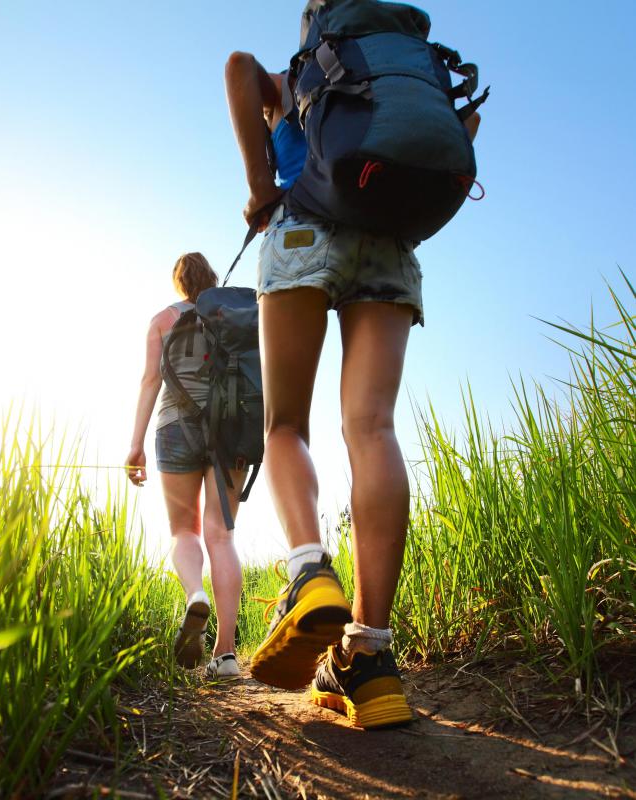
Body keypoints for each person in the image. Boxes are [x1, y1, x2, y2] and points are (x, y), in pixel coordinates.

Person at [225, 51, 480, 726]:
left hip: (304, 229)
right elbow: (463, 139)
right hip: (392, 246)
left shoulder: (308, 75)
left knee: (284, 425)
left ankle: (309, 573)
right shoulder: (414, 78)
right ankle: (368, 658)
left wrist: (258, 185)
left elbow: (237, 66)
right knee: (372, 428)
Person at [125, 253, 247, 679]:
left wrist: (135, 445)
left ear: (179, 283)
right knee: (222, 537)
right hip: (231, 429)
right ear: (212, 279)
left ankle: (196, 593)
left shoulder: (162, 319)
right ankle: (226, 654)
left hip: (175, 427)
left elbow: (149, 381)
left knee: (184, 531)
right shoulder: (235, 314)